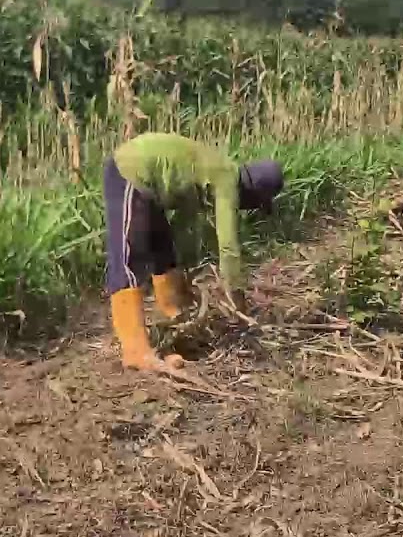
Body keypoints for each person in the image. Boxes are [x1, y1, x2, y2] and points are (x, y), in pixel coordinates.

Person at [102, 132, 284, 373]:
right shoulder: (227, 180)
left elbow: (183, 226)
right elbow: (228, 247)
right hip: (130, 171)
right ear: (252, 192)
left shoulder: (216, 170)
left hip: (151, 184)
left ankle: (176, 320)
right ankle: (136, 352)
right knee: (128, 258)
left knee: (164, 252)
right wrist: (238, 302)